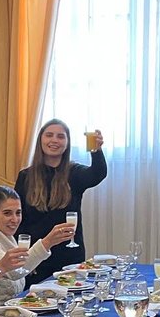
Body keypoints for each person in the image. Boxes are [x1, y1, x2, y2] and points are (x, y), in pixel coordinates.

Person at [15, 119, 107, 282]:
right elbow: (19, 220)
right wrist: (24, 255)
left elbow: (97, 174)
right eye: (49, 135)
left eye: (60, 136)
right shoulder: (25, 176)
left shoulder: (74, 173)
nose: (54, 140)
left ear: (67, 143)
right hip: (37, 256)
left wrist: (96, 150)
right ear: (40, 140)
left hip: (69, 256)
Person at [0, 185, 75, 317]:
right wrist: (47, 242)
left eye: (18, 213)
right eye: (7, 213)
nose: (14, 219)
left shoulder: (8, 238)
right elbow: (12, 270)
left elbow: (19, 270)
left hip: (10, 316)